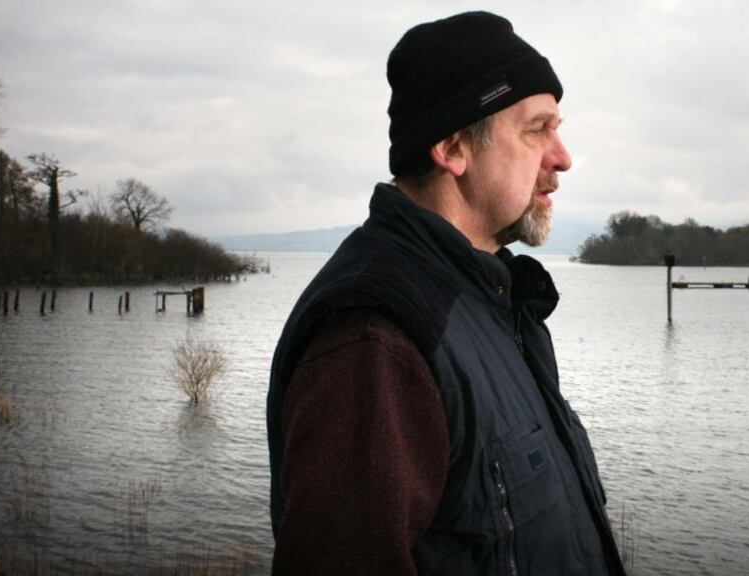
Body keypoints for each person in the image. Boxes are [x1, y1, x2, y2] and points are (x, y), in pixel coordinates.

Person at [267, 11, 626, 575]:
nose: (561, 157)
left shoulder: (496, 305)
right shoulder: (376, 339)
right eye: (537, 129)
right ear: (454, 148)